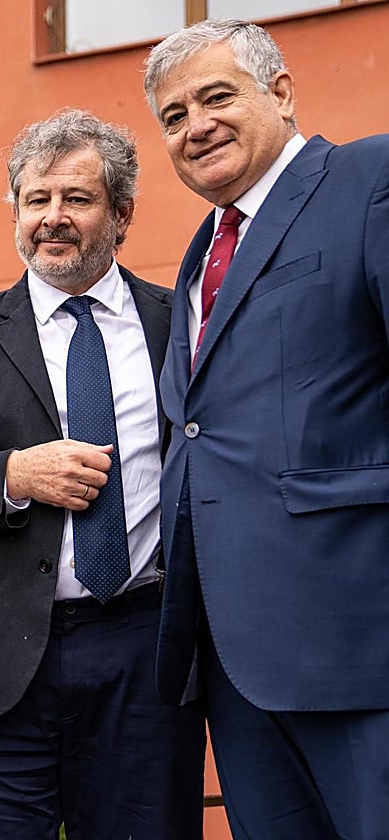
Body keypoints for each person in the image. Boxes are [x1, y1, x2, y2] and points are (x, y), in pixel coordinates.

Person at [0, 109, 207, 839]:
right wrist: (12, 476)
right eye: (36, 199)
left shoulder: (179, 325)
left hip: (143, 656)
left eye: (77, 199)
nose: (52, 218)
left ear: (122, 214)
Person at [144, 19, 389, 839]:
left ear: (280, 93)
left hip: (359, 641)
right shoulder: (202, 251)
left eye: (216, 97)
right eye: (174, 116)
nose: (196, 126)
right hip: (234, 659)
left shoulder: (368, 179)